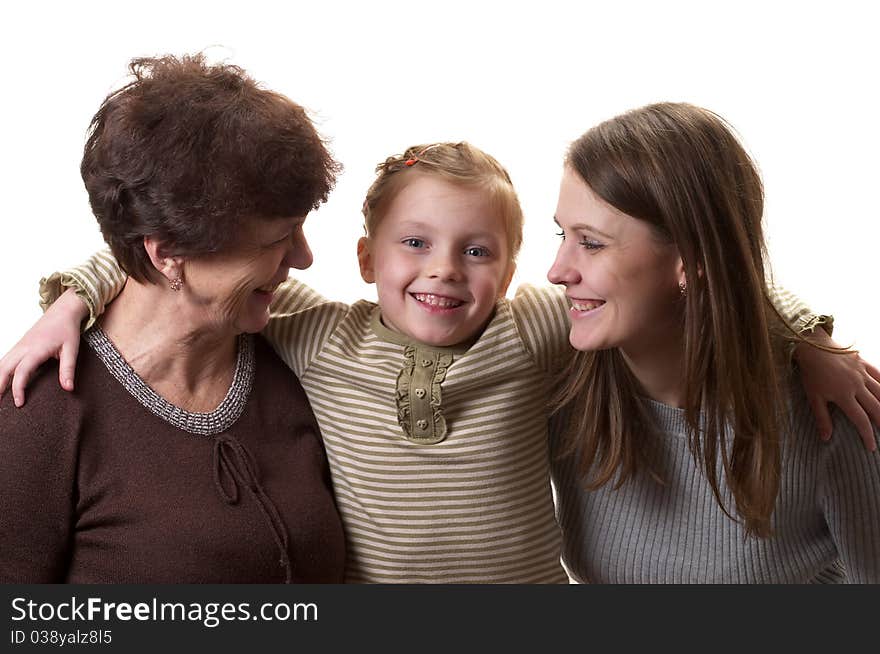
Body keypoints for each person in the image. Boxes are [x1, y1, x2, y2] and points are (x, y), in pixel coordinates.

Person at [4, 139, 877, 584]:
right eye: (414, 243)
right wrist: (75, 295)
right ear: (360, 258)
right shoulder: (314, 331)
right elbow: (185, 266)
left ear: (511, 266)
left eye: (478, 251)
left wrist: (809, 338)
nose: (443, 272)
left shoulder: (537, 327)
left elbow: (714, 273)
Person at [0, 54, 346, 583]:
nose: (303, 258)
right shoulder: (43, 409)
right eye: (278, 238)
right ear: (168, 254)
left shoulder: (301, 350)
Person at [548, 102, 880, 583]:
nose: (557, 271)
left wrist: (808, 339)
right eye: (561, 234)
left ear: (690, 258)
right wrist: (807, 329)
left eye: (591, 243)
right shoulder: (554, 370)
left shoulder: (828, 410)